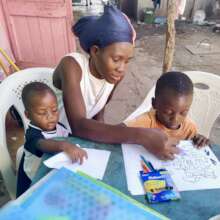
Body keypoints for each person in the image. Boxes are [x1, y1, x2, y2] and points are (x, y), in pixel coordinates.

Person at [53, 5, 180, 162]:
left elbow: (98, 113)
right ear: (95, 51)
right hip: (51, 141)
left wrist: (102, 145)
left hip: (77, 145)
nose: (121, 68)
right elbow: (79, 125)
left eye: (127, 61)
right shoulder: (72, 65)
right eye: (116, 59)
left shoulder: (114, 76)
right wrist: (142, 135)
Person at [17, 82, 87, 197]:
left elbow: (72, 140)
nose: (50, 116)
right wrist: (64, 146)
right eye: (42, 112)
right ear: (28, 115)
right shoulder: (32, 134)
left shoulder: (59, 127)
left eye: (54, 110)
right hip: (33, 181)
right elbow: (42, 144)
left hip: (53, 175)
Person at [125, 72, 209, 147]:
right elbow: (120, 131)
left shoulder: (189, 128)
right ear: (154, 104)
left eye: (183, 113)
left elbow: (195, 148)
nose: (175, 119)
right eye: (168, 112)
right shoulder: (144, 122)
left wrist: (200, 140)